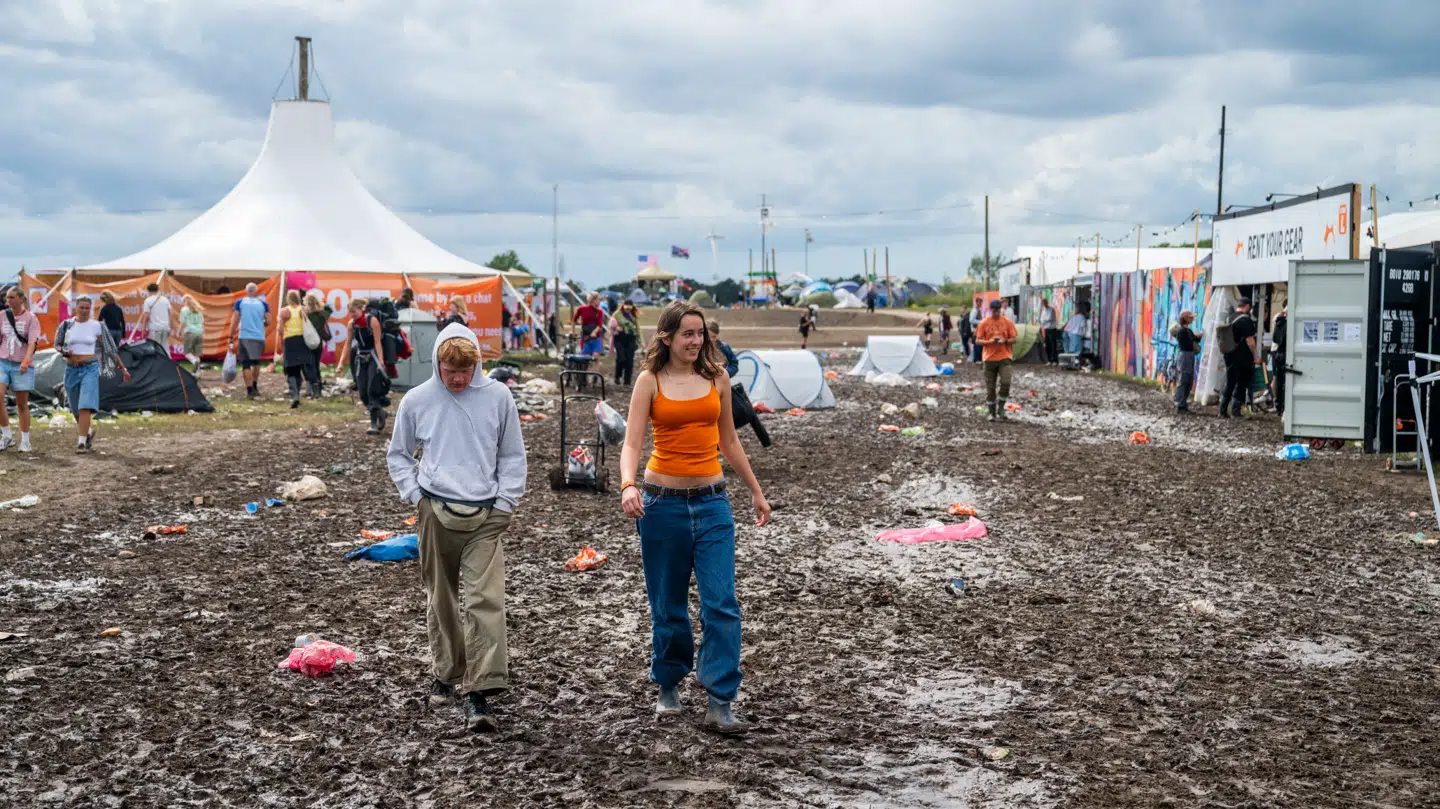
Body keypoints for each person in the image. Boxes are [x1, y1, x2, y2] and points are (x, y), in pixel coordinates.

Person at [619, 302, 770, 734]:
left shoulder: (717, 377)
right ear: (666, 337)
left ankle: (720, 699)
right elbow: (631, 444)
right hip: (661, 505)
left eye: (700, 333)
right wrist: (628, 485)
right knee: (667, 605)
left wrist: (756, 492)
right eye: (687, 333)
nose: (695, 341)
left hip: (713, 504)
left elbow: (730, 442)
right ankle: (668, 682)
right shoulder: (649, 381)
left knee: (721, 602)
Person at [386, 323, 526, 733]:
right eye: (451, 371)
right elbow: (398, 454)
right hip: (435, 509)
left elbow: (512, 454)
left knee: (484, 599)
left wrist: (505, 502)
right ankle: (446, 672)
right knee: (441, 597)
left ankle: (480, 691)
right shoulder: (417, 400)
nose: (459, 378)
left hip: (486, 513)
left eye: (466, 370)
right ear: (438, 365)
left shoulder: (498, 396)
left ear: (478, 363)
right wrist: (417, 497)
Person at [56, 296, 129, 453]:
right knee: (74, 407)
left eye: (87, 308)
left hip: (90, 367)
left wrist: (122, 367)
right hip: (71, 369)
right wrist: (63, 351)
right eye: (81, 308)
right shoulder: (66, 325)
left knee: (85, 405)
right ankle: (87, 432)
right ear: (76, 308)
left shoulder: (97, 326)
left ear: (91, 309)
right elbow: (57, 344)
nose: (84, 311)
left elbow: (110, 348)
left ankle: (81, 443)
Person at [335, 298, 391, 435]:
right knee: (362, 392)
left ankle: (373, 424)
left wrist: (381, 361)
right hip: (360, 358)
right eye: (350, 312)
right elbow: (347, 344)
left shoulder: (372, 321)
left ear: (361, 309)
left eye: (354, 311)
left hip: (373, 358)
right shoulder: (351, 324)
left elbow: (377, 342)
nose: (352, 315)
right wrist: (341, 363)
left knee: (372, 389)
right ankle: (381, 413)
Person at [0, 286, 41, 453]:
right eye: (7, 298)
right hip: (3, 361)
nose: (8, 301)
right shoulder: (2, 316)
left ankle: (25, 440)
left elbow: (32, 342)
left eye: (12, 297)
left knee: (21, 404)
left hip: (21, 364)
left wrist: (26, 361)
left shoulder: (31, 319)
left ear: (21, 299)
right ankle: (6, 434)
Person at [975, 299, 1017, 421]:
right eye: (994, 311)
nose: (996, 313)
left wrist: (1005, 341)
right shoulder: (984, 323)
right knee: (990, 388)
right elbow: (977, 340)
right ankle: (991, 412)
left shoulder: (1007, 322)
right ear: (990, 310)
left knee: (1006, 383)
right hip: (989, 359)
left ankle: (1001, 408)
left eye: (998, 311)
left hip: (1005, 357)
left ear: (1001, 310)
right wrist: (989, 341)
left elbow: (1014, 339)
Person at [276, 290, 316, 409]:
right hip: (302, 340)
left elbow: (280, 329)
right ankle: (313, 389)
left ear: (288, 299)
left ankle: (295, 395)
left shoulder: (284, 311)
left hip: (290, 340)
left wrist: (284, 338)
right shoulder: (303, 309)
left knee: (291, 370)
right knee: (303, 366)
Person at [1219, 298, 1258, 419]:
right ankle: (1236, 410)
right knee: (1242, 382)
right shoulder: (1245, 320)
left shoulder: (1229, 318)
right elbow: (1250, 341)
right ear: (1247, 306)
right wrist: (1256, 356)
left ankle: (1223, 410)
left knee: (1230, 381)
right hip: (1242, 356)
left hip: (1228, 354)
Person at [230, 283, 270, 399]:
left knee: (246, 363)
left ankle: (249, 390)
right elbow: (269, 321)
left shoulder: (240, 302)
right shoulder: (263, 303)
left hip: (245, 336)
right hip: (259, 336)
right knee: (256, 362)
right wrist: (260, 323)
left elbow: (235, 319)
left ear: (246, 291)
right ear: (256, 292)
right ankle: (255, 386)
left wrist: (231, 335)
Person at [1170, 310, 1201, 413]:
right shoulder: (1183, 331)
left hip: (1189, 355)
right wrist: (1197, 336)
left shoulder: (1186, 330)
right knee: (1184, 379)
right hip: (1185, 355)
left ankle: (1183, 404)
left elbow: (1193, 339)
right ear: (1185, 318)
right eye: (1190, 317)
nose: (1192, 319)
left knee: (1188, 379)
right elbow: (1190, 341)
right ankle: (1180, 404)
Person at [303, 291, 332, 398]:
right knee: (316, 365)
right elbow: (329, 308)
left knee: (309, 366)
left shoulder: (306, 315)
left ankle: (312, 389)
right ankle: (318, 387)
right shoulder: (322, 314)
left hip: (308, 342)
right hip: (319, 342)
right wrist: (320, 304)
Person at [613, 300, 641, 386]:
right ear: (623, 306)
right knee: (621, 358)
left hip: (631, 339)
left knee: (629, 361)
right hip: (619, 339)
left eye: (630, 306)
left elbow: (638, 328)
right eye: (627, 305)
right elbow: (611, 324)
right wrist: (616, 327)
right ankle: (617, 376)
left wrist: (640, 340)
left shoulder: (633, 316)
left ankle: (627, 382)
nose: (628, 308)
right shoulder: (617, 314)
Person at [141, 282, 172, 352]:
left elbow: (146, 316)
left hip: (155, 328)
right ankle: (167, 361)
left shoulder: (148, 300)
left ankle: (157, 362)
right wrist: (170, 326)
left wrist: (144, 329)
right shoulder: (165, 299)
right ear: (158, 289)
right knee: (165, 348)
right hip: (165, 327)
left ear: (148, 291)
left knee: (154, 348)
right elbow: (170, 313)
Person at [179, 295, 206, 371]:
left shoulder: (184, 309)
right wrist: (203, 333)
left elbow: (182, 323)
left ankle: (194, 363)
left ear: (185, 301)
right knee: (197, 354)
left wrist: (179, 332)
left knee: (187, 353)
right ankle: (197, 372)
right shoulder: (198, 310)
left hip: (190, 332)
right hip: (199, 332)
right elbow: (202, 323)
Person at [1272, 305, 1289, 418]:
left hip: (1278, 354)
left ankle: (1278, 407)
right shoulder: (1289, 324)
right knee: (1286, 382)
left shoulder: (1278, 323)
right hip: (1286, 354)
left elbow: (1275, 339)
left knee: (1278, 380)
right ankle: (1284, 407)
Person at [1038, 297, 1060, 365]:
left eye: (1044, 303)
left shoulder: (1051, 309)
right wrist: (1044, 321)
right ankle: (1049, 360)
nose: (1043, 304)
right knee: (1047, 345)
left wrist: (1044, 320)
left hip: (1052, 329)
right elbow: (1041, 319)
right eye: (1042, 303)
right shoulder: (1043, 310)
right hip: (1046, 329)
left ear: (1046, 302)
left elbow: (1049, 318)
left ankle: (1054, 360)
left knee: (1053, 345)